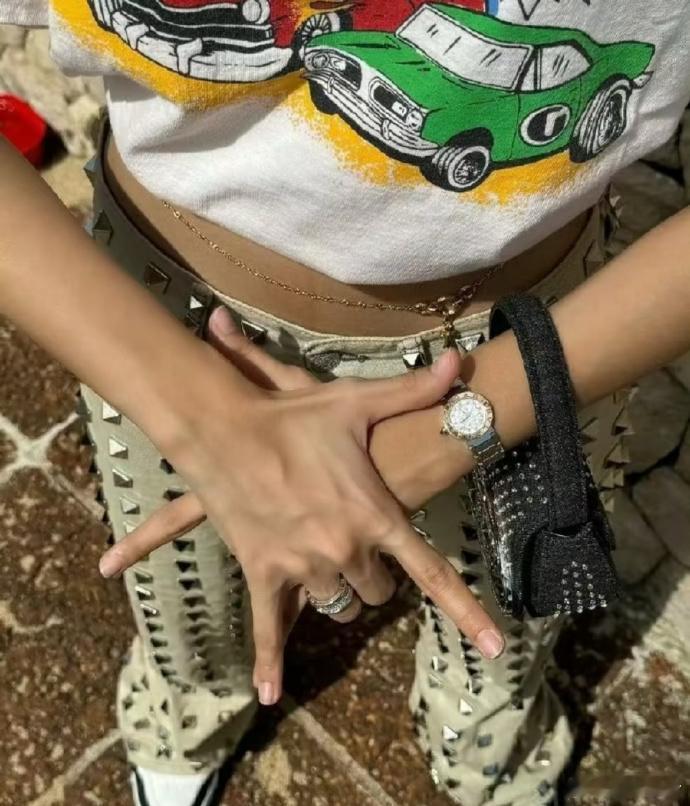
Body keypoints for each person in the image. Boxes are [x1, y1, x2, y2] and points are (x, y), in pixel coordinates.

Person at [1, 1, 689, 804]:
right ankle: (192, 700)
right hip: (164, 320)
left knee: (507, 613)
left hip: (526, 343)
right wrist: (201, 414)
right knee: (182, 595)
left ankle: (486, 743)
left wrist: (463, 421)